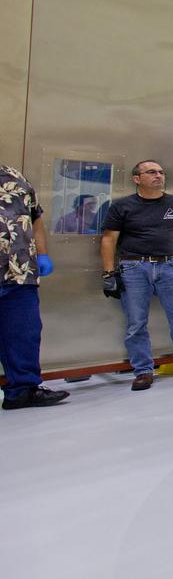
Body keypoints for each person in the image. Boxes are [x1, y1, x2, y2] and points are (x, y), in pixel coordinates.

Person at [100, 160, 173, 391]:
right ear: (137, 179)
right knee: (136, 324)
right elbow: (109, 239)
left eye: (161, 172)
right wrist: (109, 273)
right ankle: (143, 372)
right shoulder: (122, 206)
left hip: (169, 267)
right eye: (151, 172)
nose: (158, 175)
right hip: (133, 268)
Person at [0, 165, 69, 410]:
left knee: (24, 333)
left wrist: (42, 253)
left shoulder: (15, 176)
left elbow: (35, 218)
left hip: (20, 271)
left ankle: (23, 390)